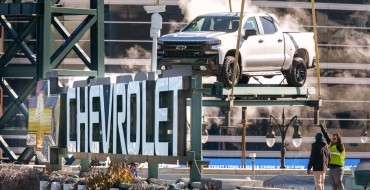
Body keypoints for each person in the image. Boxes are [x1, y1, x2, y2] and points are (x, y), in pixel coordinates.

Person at [319, 124, 346, 190]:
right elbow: (326, 136)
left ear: (338, 140)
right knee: (333, 184)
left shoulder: (340, 146)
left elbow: (337, 146)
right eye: (332, 138)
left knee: (338, 182)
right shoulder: (331, 145)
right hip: (331, 167)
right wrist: (322, 128)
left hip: (338, 167)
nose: (333, 140)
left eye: (335, 139)